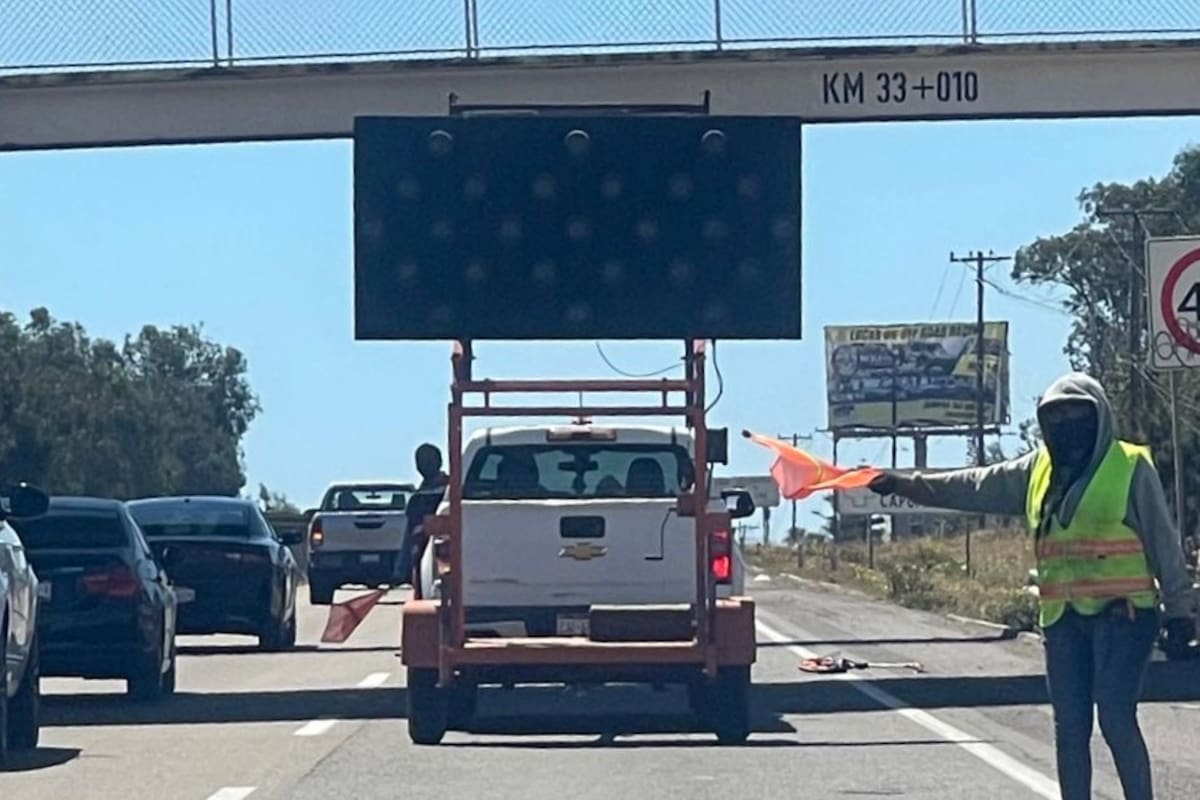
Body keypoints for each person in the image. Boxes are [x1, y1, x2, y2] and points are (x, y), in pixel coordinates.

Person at [867, 372, 1196, 800]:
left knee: (1115, 716)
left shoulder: (1129, 466)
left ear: (1100, 418)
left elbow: (1163, 540)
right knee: (1070, 727)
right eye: (1055, 417)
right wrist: (904, 484)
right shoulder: (1037, 468)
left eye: (1079, 414)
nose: (1067, 425)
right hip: (1062, 620)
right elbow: (974, 486)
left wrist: (1180, 610)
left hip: (1124, 615)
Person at [396, 443, 450, 587]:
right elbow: (409, 536)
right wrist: (402, 568)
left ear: (439, 462)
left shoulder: (452, 491)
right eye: (421, 461)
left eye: (429, 460)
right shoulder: (417, 499)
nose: (424, 465)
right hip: (420, 558)